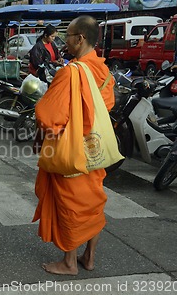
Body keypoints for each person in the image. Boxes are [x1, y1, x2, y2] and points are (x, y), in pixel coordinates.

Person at [32, 15, 115, 275]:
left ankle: (69, 262)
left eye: (66, 35)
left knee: (70, 204)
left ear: (80, 39)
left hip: (72, 152)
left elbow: (49, 116)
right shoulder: (102, 71)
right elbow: (107, 106)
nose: (62, 40)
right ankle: (88, 257)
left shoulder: (71, 72)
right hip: (95, 149)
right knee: (92, 203)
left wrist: (50, 130)